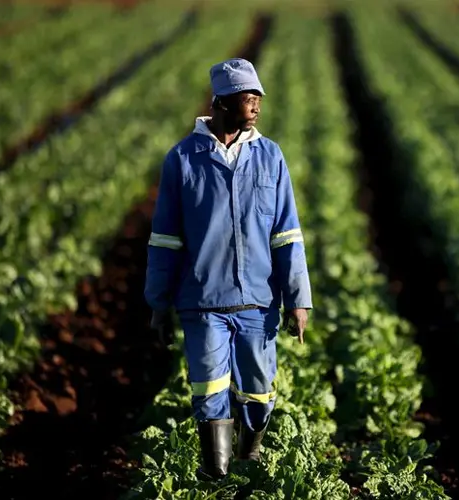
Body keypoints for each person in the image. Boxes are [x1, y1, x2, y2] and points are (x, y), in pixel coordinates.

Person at [144, 58, 312, 480]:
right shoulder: (183, 160)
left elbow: (286, 234)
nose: (256, 105)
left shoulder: (270, 157)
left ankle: (248, 460)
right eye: (247, 97)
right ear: (221, 102)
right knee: (208, 388)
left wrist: (298, 300)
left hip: (258, 301)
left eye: (258, 97)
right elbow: (165, 239)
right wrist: (158, 303)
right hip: (202, 302)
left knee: (258, 391)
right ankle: (215, 474)